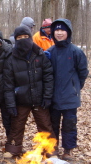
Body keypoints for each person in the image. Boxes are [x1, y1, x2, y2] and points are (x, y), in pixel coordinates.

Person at [3, 25, 56, 157]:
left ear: (30, 37)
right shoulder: (11, 58)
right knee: (17, 125)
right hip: (21, 99)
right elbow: (8, 84)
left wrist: (47, 96)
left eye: (25, 37)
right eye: (19, 38)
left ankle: (49, 150)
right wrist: (10, 104)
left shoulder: (40, 54)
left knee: (45, 124)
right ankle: (13, 148)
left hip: (39, 98)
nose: (23, 40)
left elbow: (48, 76)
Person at [47, 19, 88, 161]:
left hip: (70, 97)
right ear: (53, 33)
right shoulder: (50, 52)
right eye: (56, 30)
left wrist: (75, 87)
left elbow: (83, 73)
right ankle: (53, 148)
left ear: (68, 32)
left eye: (62, 30)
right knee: (53, 124)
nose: (59, 33)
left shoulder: (76, 52)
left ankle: (68, 150)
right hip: (53, 96)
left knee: (69, 124)